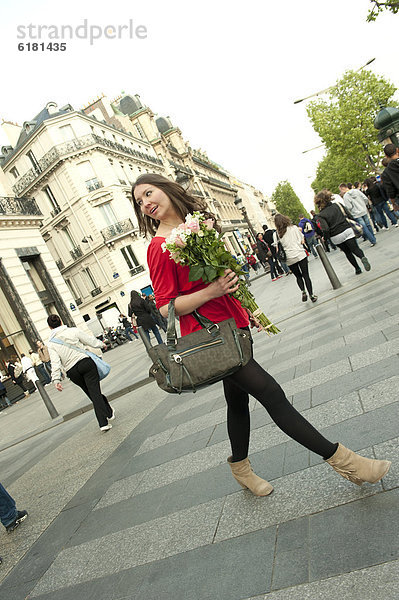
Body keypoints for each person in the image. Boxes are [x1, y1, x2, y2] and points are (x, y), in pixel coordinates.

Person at [131, 173, 390, 495]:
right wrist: (211, 291)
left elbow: (219, 275)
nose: (146, 203)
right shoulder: (159, 246)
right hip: (210, 335)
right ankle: (349, 463)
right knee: (271, 393)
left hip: (232, 324)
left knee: (236, 401)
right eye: (139, 201)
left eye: (149, 193)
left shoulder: (194, 227)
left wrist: (244, 308)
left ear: (167, 190)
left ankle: (240, 468)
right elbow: (166, 306)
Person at [47, 314, 115, 432]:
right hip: (85, 364)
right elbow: (90, 341)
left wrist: (56, 379)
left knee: (92, 393)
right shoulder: (73, 331)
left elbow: (55, 362)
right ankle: (103, 422)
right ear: (61, 322)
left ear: (50, 327)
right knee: (95, 392)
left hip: (72, 371)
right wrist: (101, 344)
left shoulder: (51, 343)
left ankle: (108, 412)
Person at [315, 189, 371, 275]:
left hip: (336, 236)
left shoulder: (320, 215)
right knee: (355, 248)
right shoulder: (338, 205)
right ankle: (362, 257)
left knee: (347, 252)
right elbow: (349, 215)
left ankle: (357, 269)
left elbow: (325, 229)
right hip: (347, 230)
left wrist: (325, 238)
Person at [274, 214, 317, 303]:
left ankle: (303, 291)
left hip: (289, 258)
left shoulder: (276, 234)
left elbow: (277, 248)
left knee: (298, 276)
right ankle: (312, 295)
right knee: (306, 275)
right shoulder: (293, 228)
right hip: (300, 254)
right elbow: (302, 239)